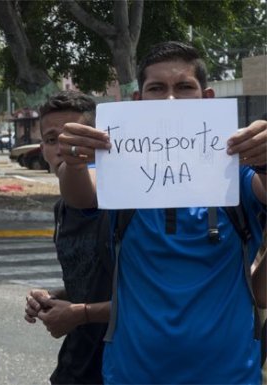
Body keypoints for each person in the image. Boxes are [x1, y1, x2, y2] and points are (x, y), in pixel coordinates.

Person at [57, 41, 267, 383]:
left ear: (207, 98)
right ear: (138, 101)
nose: (170, 99)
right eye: (157, 88)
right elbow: (80, 194)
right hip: (132, 374)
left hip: (230, 375)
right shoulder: (119, 172)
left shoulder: (236, 175)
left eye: (184, 87)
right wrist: (74, 160)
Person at [25, 91, 110, 384]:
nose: (65, 148)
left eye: (76, 138)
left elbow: (148, 303)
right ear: (43, 149)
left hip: (119, 367)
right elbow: (91, 281)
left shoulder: (117, 204)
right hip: (75, 367)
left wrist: (81, 314)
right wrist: (55, 299)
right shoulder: (61, 209)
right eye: (53, 140)